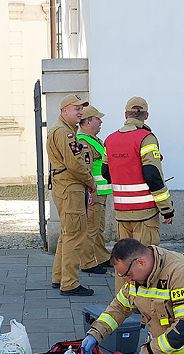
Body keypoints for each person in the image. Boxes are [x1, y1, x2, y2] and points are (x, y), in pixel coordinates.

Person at [101, 96, 173, 251]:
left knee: (126, 259)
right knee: (144, 260)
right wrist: (167, 210)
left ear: (126, 115)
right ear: (146, 116)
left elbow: (105, 172)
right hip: (144, 213)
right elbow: (152, 176)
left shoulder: (110, 139)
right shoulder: (146, 138)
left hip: (121, 212)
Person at [48, 93, 98, 296]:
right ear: (64, 111)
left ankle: (60, 277)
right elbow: (74, 163)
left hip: (66, 186)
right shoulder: (64, 132)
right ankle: (70, 283)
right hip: (71, 187)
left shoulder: (65, 130)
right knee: (75, 235)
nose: (80, 112)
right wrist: (90, 181)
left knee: (67, 233)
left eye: (81, 108)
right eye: (76, 108)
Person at [76, 103, 111, 276]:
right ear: (88, 122)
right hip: (94, 192)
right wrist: (92, 192)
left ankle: (102, 256)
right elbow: (85, 168)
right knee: (91, 228)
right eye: (98, 119)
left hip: (101, 191)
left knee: (98, 228)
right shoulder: (83, 141)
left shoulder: (94, 140)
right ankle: (88, 262)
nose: (101, 122)